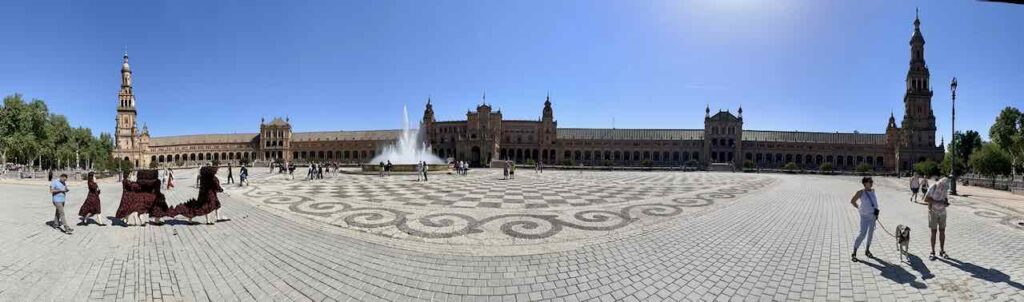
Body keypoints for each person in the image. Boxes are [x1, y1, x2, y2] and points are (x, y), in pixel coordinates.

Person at [850, 176, 879, 262]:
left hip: (873, 216)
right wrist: (859, 208)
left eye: (872, 182)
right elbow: (852, 201)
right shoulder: (860, 192)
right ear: (865, 183)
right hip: (865, 216)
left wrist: (876, 213)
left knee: (870, 234)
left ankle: (867, 250)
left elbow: (875, 203)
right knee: (862, 234)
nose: (871, 183)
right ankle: (854, 252)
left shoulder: (873, 191)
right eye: (869, 182)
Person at [924, 177, 950, 261]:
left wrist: (946, 203)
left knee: (942, 231)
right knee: (934, 231)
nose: (944, 189)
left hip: (942, 212)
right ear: (940, 184)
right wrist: (938, 202)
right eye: (943, 186)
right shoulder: (933, 187)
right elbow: (926, 199)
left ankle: (942, 251)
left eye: (945, 187)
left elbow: (945, 198)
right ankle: (932, 252)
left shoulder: (945, 189)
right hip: (933, 212)